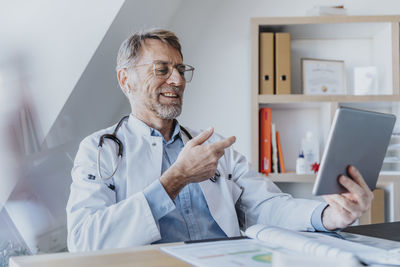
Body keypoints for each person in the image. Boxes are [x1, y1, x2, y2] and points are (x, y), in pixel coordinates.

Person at [66, 29, 373, 252]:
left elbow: (268, 206)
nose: (177, 80)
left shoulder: (216, 148)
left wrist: (329, 215)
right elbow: (84, 241)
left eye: (181, 69)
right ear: (125, 80)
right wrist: (175, 179)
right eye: (161, 69)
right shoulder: (100, 151)